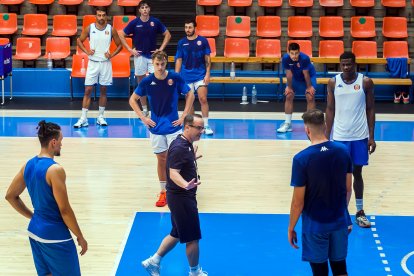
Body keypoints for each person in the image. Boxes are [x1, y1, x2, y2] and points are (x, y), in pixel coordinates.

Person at [5, 121, 88, 275]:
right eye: (61, 141)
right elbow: (64, 210)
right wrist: (80, 236)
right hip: (55, 236)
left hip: (35, 232)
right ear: (53, 142)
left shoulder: (28, 165)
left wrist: (33, 217)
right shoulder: (55, 170)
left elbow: (10, 196)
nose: (61, 145)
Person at [288, 109, 353, 276]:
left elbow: (298, 202)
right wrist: (343, 215)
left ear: (307, 130)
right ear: (325, 126)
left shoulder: (301, 159)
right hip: (339, 222)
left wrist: (291, 227)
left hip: (315, 226)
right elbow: (348, 189)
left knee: (319, 272)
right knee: (340, 269)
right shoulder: (343, 151)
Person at [141, 113, 207, 276]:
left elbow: (179, 163)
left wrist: (191, 159)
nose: (201, 131)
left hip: (180, 197)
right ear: (187, 127)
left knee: (177, 233)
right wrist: (186, 185)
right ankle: (194, 272)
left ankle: (153, 261)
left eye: (202, 128)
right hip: (181, 198)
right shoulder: (180, 147)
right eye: (198, 128)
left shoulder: (185, 142)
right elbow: (173, 173)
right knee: (192, 237)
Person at [129, 51, 194, 207]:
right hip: (156, 128)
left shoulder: (175, 78)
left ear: (166, 63)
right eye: (157, 64)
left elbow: (190, 93)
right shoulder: (147, 81)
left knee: (178, 159)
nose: (159, 67)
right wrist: (143, 117)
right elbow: (132, 99)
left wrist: (184, 114)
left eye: (162, 64)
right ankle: (163, 191)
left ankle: (180, 187)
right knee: (161, 160)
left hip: (174, 127)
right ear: (153, 63)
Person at [325, 51, 376, 228]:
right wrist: (326, 136)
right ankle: (340, 212)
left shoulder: (366, 82)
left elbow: (370, 109)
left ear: (355, 64)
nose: (346, 67)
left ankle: (360, 212)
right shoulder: (333, 82)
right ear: (340, 65)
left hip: (360, 136)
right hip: (339, 137)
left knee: (357, 174)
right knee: (339, 176)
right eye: (343, 64)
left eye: (349, 64)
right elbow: (330, 109)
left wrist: (372, 136)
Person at [120, 0, 171, 117]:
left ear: (149, 9)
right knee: (142, 84)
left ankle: (157, 108)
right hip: (139, 56)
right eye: (142, 8)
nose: (144, 9)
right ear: (139, 10)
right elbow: (121, 34)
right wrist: (129, 49)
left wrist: (161, 49)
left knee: (157, 82)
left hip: (153, 57)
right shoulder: (134, 23)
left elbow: (168, 34)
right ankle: (144, 109)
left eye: (146, 7)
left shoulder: (155, 22)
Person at [73, 7, 123, 128]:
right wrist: (86, 51)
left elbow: (120, 45)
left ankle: (100, 117)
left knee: (103, 90)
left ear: (106, 16)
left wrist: (111, 55)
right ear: (96, 16)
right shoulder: (90, 28)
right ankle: (83, 118)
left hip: (105, 63)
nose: (101, 17)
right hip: (93, 63)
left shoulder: (111, 29)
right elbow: (79, 40)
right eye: (99, 15)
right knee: (88, 90)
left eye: (103, 15)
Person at [175, 18, 213, 135]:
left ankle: (206, 125)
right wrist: (177, 76)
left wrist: (207, 74)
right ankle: (194, 125)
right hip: (186, 77)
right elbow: (179, 60)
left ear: (195, 28)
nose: (188, 29)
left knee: (203, 99)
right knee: (189, 102)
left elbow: (207, 59)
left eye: (190, 27)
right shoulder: (181, 42)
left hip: (200, 75)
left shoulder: (203, 41)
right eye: (186, 27)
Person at [277, 42, 317, 133]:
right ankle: (287, 124)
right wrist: (289, 88)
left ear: (299, 52)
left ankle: (309, 125)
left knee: (310, 96)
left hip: (308, 77)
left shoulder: (305, 58)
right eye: (292, 53)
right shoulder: (285, 59)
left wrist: (309, 87)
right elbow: (289, 74)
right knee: (289, 95)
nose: (294, 56)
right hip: (295, 77)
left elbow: (306, 74)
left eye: (296, 53)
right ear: (288, 52)